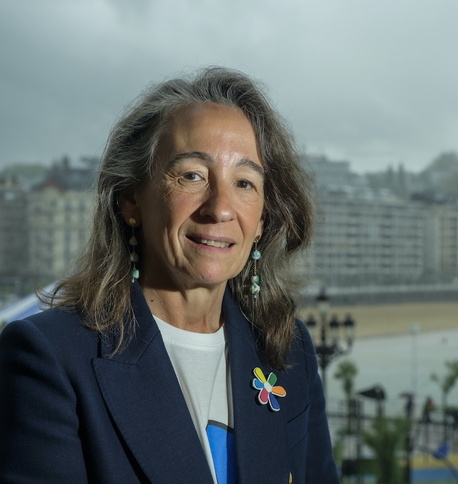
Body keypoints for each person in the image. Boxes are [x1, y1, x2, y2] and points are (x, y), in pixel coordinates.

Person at [0, 67, 339, 484]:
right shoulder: (49, 357)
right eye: (192, 175)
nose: (220, 207)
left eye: (245, 183)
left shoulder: (288, 351)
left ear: (263, 221)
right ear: (131, 200)